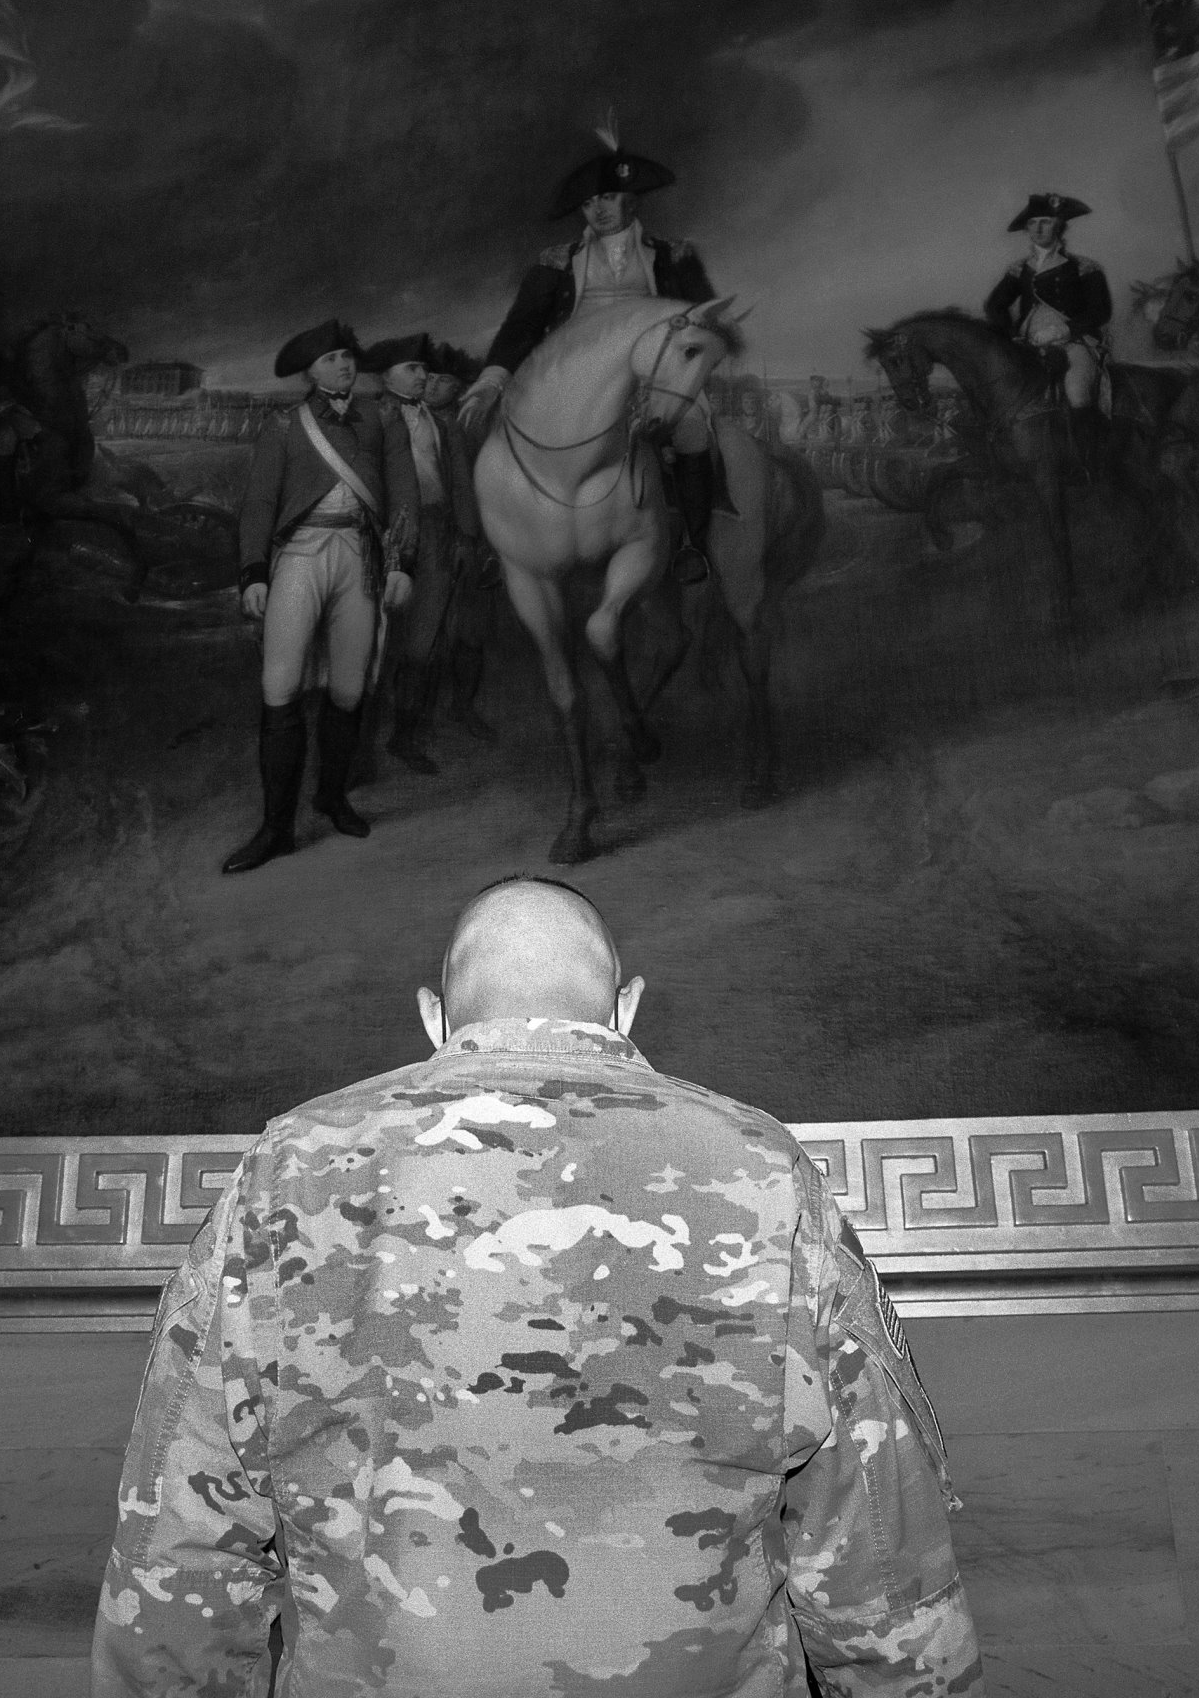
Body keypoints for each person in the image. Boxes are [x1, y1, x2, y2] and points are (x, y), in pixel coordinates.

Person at [91, 875, 980, 1698]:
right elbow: (876, 1550)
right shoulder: (764, 1171)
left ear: (434, 1017)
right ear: (627, 1007)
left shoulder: (290, 1166)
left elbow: (184, 1545)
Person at [460, 131, 721, 582]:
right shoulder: (556, 262)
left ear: (632, 202)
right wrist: (492, 379)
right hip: (568, 380)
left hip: (652, 376)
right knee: (495, 428)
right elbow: (520, 328)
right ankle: (496, 544)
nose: (598, 209)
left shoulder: (673, 256)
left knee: (695, 428)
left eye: (608, 198)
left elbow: (706, 321)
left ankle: (691, 545)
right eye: (588, 203)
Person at [223, 320, 419, 874]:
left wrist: (405, 563)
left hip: (360, 557)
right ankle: (276, 828)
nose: (343, 366)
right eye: (331, 359)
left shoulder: (382, 417)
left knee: (349, 688)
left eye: (347, 357)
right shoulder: (286, 425)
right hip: (300, 558)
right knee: (280, 686)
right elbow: (260, 503)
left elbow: (403, 491)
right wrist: (254, 572)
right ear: (310, 371)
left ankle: (332, 797)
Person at [362, 331, 484, 775]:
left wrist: (466, 536)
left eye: (426, 369)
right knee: (369, 642)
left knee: (422, 642)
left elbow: (460, 484)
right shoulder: (366, 417)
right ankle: (357, 751)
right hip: (381, 535)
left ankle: (405, 737)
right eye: (414, 368)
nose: (424, 376)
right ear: (386, 374)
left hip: (436, 534)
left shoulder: (441, 421)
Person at [428, 341, 499, 743]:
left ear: (460, 388)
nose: (434, 385)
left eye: (445, 381)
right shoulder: (403, 420)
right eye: (431, 377)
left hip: (473, 536)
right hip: (424, 534)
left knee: (470, 629)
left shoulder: (473, 425)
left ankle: (463, 706)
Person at [984, 191, 1111, 412]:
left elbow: (1100, 311)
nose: (1038, 228)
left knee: (1078, 394)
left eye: (1045, 222)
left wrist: (1063, 330)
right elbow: (995, 305)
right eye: (1032, 223)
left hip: (1074, 343)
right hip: (1028, 344)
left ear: (1059, 226)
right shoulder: (1020, 269)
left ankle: (1085, 445)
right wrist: (1012, 336)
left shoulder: (1084, 267)